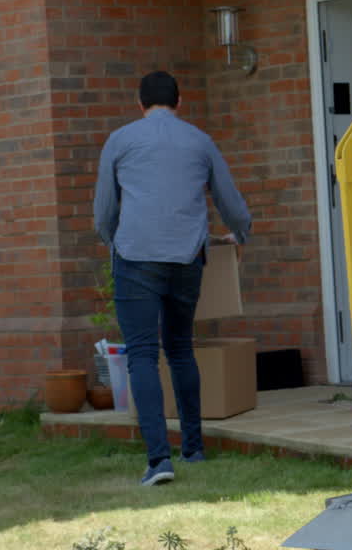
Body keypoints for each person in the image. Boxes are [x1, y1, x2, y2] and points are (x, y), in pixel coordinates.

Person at [93, 70, 253, 486]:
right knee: (181, 349)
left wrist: (114, 242)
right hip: (187, 258)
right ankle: (194, 449)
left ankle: (158, 461)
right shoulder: (200, 140)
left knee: (142, 355)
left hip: (135, 257)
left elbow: (103, 211)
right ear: (179, 102)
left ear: (139, 102)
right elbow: (230, 202)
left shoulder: (120, 140)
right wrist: (241, 233)